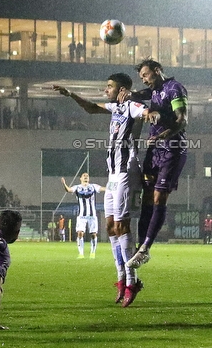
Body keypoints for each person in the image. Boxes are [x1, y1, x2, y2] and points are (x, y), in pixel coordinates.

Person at [55, 73, 147, 305]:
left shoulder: (132, 105)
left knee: (121, 225)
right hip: (113, 175)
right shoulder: (115, 108)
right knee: (109, 227)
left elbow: (145, 112)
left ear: (122, 89)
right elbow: (90, 108)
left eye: (110, 86)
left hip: (127, 170)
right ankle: (121, 277)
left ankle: (132, 280)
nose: (106, 90)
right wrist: (70, 94)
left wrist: (148, 111)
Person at [126, 59, 189, 268]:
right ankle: (140, 246)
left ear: (157, 70)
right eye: (141, 77)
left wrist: (163, 135)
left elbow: (183, 120)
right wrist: (127, 93)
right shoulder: (153, 91)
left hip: (172, 149)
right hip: (154, 152)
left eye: (146, 75)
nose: (144, 80)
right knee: (146, 199)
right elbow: (138, 95)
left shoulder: (174, 88)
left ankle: (145, 248)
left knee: (158, 196)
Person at [60, 173, 105, 259]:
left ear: (89, 178)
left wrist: (112, 186)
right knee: (80, 233)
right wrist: (64, 184)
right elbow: (69, 190)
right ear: (80, 178)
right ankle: (81, 253)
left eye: (87, 176)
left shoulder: (93, 186)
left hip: (92, 215)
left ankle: (92, 253)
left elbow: (103, 188)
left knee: (93, 235)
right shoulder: (77, 187)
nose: (86, 177)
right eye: (84, 176)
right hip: (81, 216)